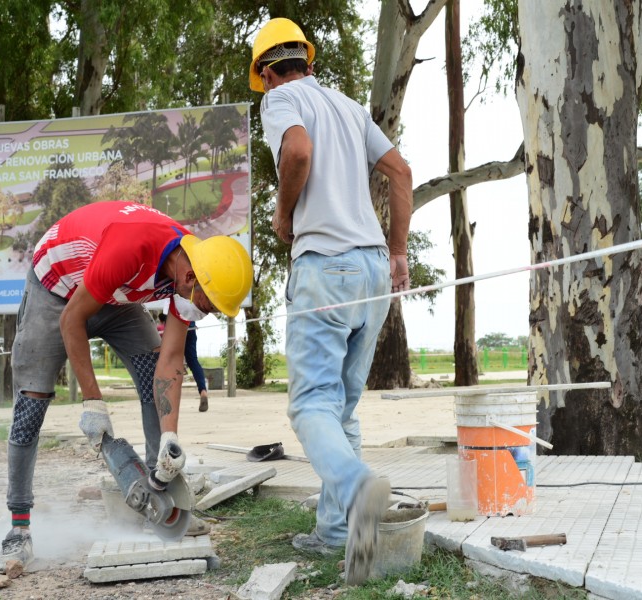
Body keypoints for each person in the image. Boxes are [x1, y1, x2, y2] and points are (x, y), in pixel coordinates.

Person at [0, 200, 253, 572]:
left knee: (152, 371)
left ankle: (158, 495)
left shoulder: (194, 268)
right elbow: (72, 320)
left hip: (113, 294)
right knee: (31, 404)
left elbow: (169, 362)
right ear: (189, 279)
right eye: (209, 305)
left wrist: (170, 438)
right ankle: (18, 526)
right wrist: (93, 403)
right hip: (57, 289)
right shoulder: (131, 249)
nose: (208, 311)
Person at [250, 18, 413, 585]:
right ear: (309, 61)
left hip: (325, 265)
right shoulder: (346, 104)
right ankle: (339, 532)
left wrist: (283, 212)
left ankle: (355, 485)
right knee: (340, 406)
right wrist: (397, 254)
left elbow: (296, 151)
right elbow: (401, 172)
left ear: (268, 72)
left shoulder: (280, 100)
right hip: (371, 270)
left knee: (309, 406)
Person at [157, 313, 208, 412]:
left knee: (171, 361)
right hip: (190, 324)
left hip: (175, 323)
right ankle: (203, 391)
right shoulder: (191, 297)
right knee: (193, 361)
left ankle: (170, 398)